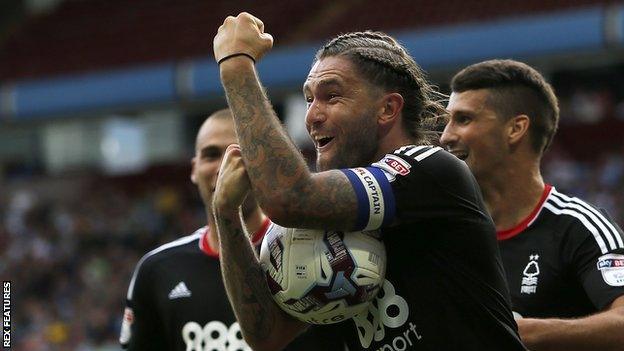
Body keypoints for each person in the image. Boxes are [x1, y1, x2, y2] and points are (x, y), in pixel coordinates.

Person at [211, 12, 526, 351]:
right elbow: (268, 335)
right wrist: (227, 215)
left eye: (331, 96)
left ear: (387, 109)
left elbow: (290, 197)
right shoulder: (331, 215)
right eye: (309, 99)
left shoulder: (431, 170)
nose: (312, 116)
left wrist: (236, 65)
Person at [119, 109, 344, 350]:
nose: (224, 167)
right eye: (211, 155)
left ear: (262, 165)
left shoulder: (315, 251)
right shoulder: (157, 269)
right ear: (194, 169)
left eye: (241, 152)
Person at [441, 59, 624, 351]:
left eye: (463, 119)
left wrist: (523, 332)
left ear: (516, 128)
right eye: (447, 121)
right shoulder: (444, 234)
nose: (446, 136)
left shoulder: (579, 227)